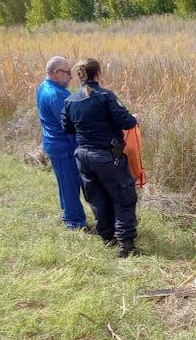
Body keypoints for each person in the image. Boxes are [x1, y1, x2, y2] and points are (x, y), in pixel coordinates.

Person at [61, 58, 140, 257]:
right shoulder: (105, 96)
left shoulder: (70, 100)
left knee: (97, 198)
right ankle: (126, 245)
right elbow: (127, 121)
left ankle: (107, 238)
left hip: (84, 156)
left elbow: (66, 127)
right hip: (107, 156)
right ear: (98, 74)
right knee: (123, 197)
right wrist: (134, 118)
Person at [36, 56, 87, 230]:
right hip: (63, 145)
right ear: (56, 73)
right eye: (67, 72)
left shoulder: (45, 86)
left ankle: (68, 215)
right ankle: (76, 223)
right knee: (70, 184)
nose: (70, 77)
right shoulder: (55, 94)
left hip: (55, 143)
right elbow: (70, 123)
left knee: (65, 183)